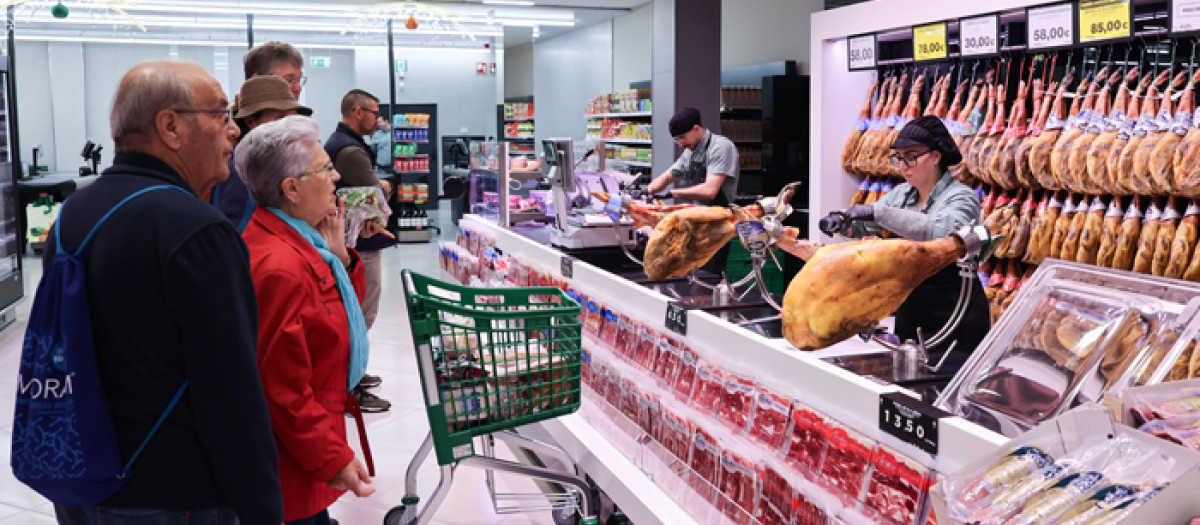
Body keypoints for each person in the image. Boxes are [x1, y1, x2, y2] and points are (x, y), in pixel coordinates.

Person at [48, 60, 283, 524]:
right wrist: (263, 507)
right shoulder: (197, 231)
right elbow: (230, 390)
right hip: (172, 492)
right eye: (220, 114)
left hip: (82, 478)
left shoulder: (75, 210)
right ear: (170, 126)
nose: (234, 129)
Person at [236, 115, 379, 525]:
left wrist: (339, 258)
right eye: (324, 169)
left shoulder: (297, 241)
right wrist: (331, 457)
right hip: (292, 458)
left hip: (305, 446)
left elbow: (330, 319)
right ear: (291, 189)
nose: (336, 177)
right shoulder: (280, 267)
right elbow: (282, 387)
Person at [809, 115, 990, 370]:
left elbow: (941, 232)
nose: (904, 165)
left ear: (936, 156)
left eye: (911, 157)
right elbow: (868, 223)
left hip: (955, 317)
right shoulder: (903, 194)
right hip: (913, 311)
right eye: (899, 158)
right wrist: (843, 221)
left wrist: (877, 213)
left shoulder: (962, 197)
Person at [325, 89, 394, 411]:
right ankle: (348, 383)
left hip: (351, 241)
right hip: (358, 245)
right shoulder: (351, 151)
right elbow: (377, 195)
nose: (378, 120)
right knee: (359, 313)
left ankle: (354, 371)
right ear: (357, 112)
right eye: (374, 113)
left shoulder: (342, 143)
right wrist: (384, 187)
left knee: (357, 311)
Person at [646, 106, 740, 276]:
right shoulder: (691, 152)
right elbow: (667, 176)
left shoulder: (720, 147)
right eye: (677, 140)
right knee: (689, 277)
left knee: (708, 278)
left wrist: (673, 193)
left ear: (696, 129)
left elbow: (710, 190)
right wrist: (647, 191)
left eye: (682, 138)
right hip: (695, 225)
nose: (681, 144)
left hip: (716, 226)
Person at [212, 75, 312, 231]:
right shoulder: (245, 170)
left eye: (292, 119)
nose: (289, 127)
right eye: (280, 118)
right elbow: (237, 232)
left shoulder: (270, 164)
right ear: (251, 122)